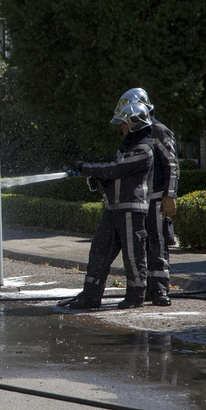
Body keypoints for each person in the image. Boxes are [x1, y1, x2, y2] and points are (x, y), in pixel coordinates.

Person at [62, 101, 155, 310]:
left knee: (133, 256)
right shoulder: (127, 148)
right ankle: (90, 296)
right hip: (113, 209)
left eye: (124, 123)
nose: (122, 127)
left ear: (134, 122)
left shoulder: (143, 149)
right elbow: (115, 175)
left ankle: (135, 296)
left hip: (131, 210)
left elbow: (117, 169)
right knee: (98, 252)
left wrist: (88, 169)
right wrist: (99, 181)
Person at [117, 88, 180, 306]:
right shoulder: (131, 135)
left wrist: (169, 195)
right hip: (138, 202)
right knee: (139, 247)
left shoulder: (159, 131)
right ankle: (142, 290)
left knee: (157, 244)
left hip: (156, 199)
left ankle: (160, 290)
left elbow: (171, 164)